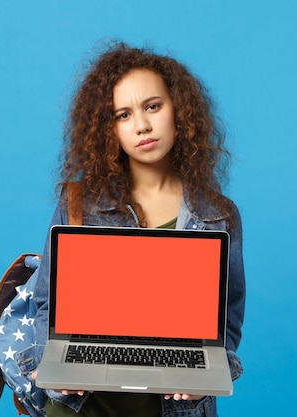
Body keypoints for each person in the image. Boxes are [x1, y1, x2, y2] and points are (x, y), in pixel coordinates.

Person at [16, 41, 245, 417]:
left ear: (179, 111)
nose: (141, 125)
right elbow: (46, 304)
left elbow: (227, 322)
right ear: (109, 130)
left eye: (152, 106)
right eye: (122, 115)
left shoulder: (218, 216)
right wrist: (52, 364)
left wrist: (211, 372)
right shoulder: (79, 204)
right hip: (83, 407)